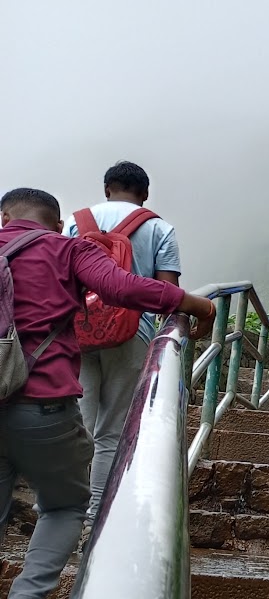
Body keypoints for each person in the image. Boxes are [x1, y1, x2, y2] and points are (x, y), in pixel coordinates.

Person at [0, 186, 215, 599]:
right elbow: (123, 288)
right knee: (64, 506)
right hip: (44, 406)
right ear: (56, 223)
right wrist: (195, 303)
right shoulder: (67, 249)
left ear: (4, 219)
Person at [66, 160, 181, 524]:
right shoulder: (159, 227)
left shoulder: (74, 223)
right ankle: (94, 518)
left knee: (77, 425)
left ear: (106, 189)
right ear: (145, 194)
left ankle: (62, 511)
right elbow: (168, 290)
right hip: (133, 333)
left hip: (77, 332)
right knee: (111, 432)